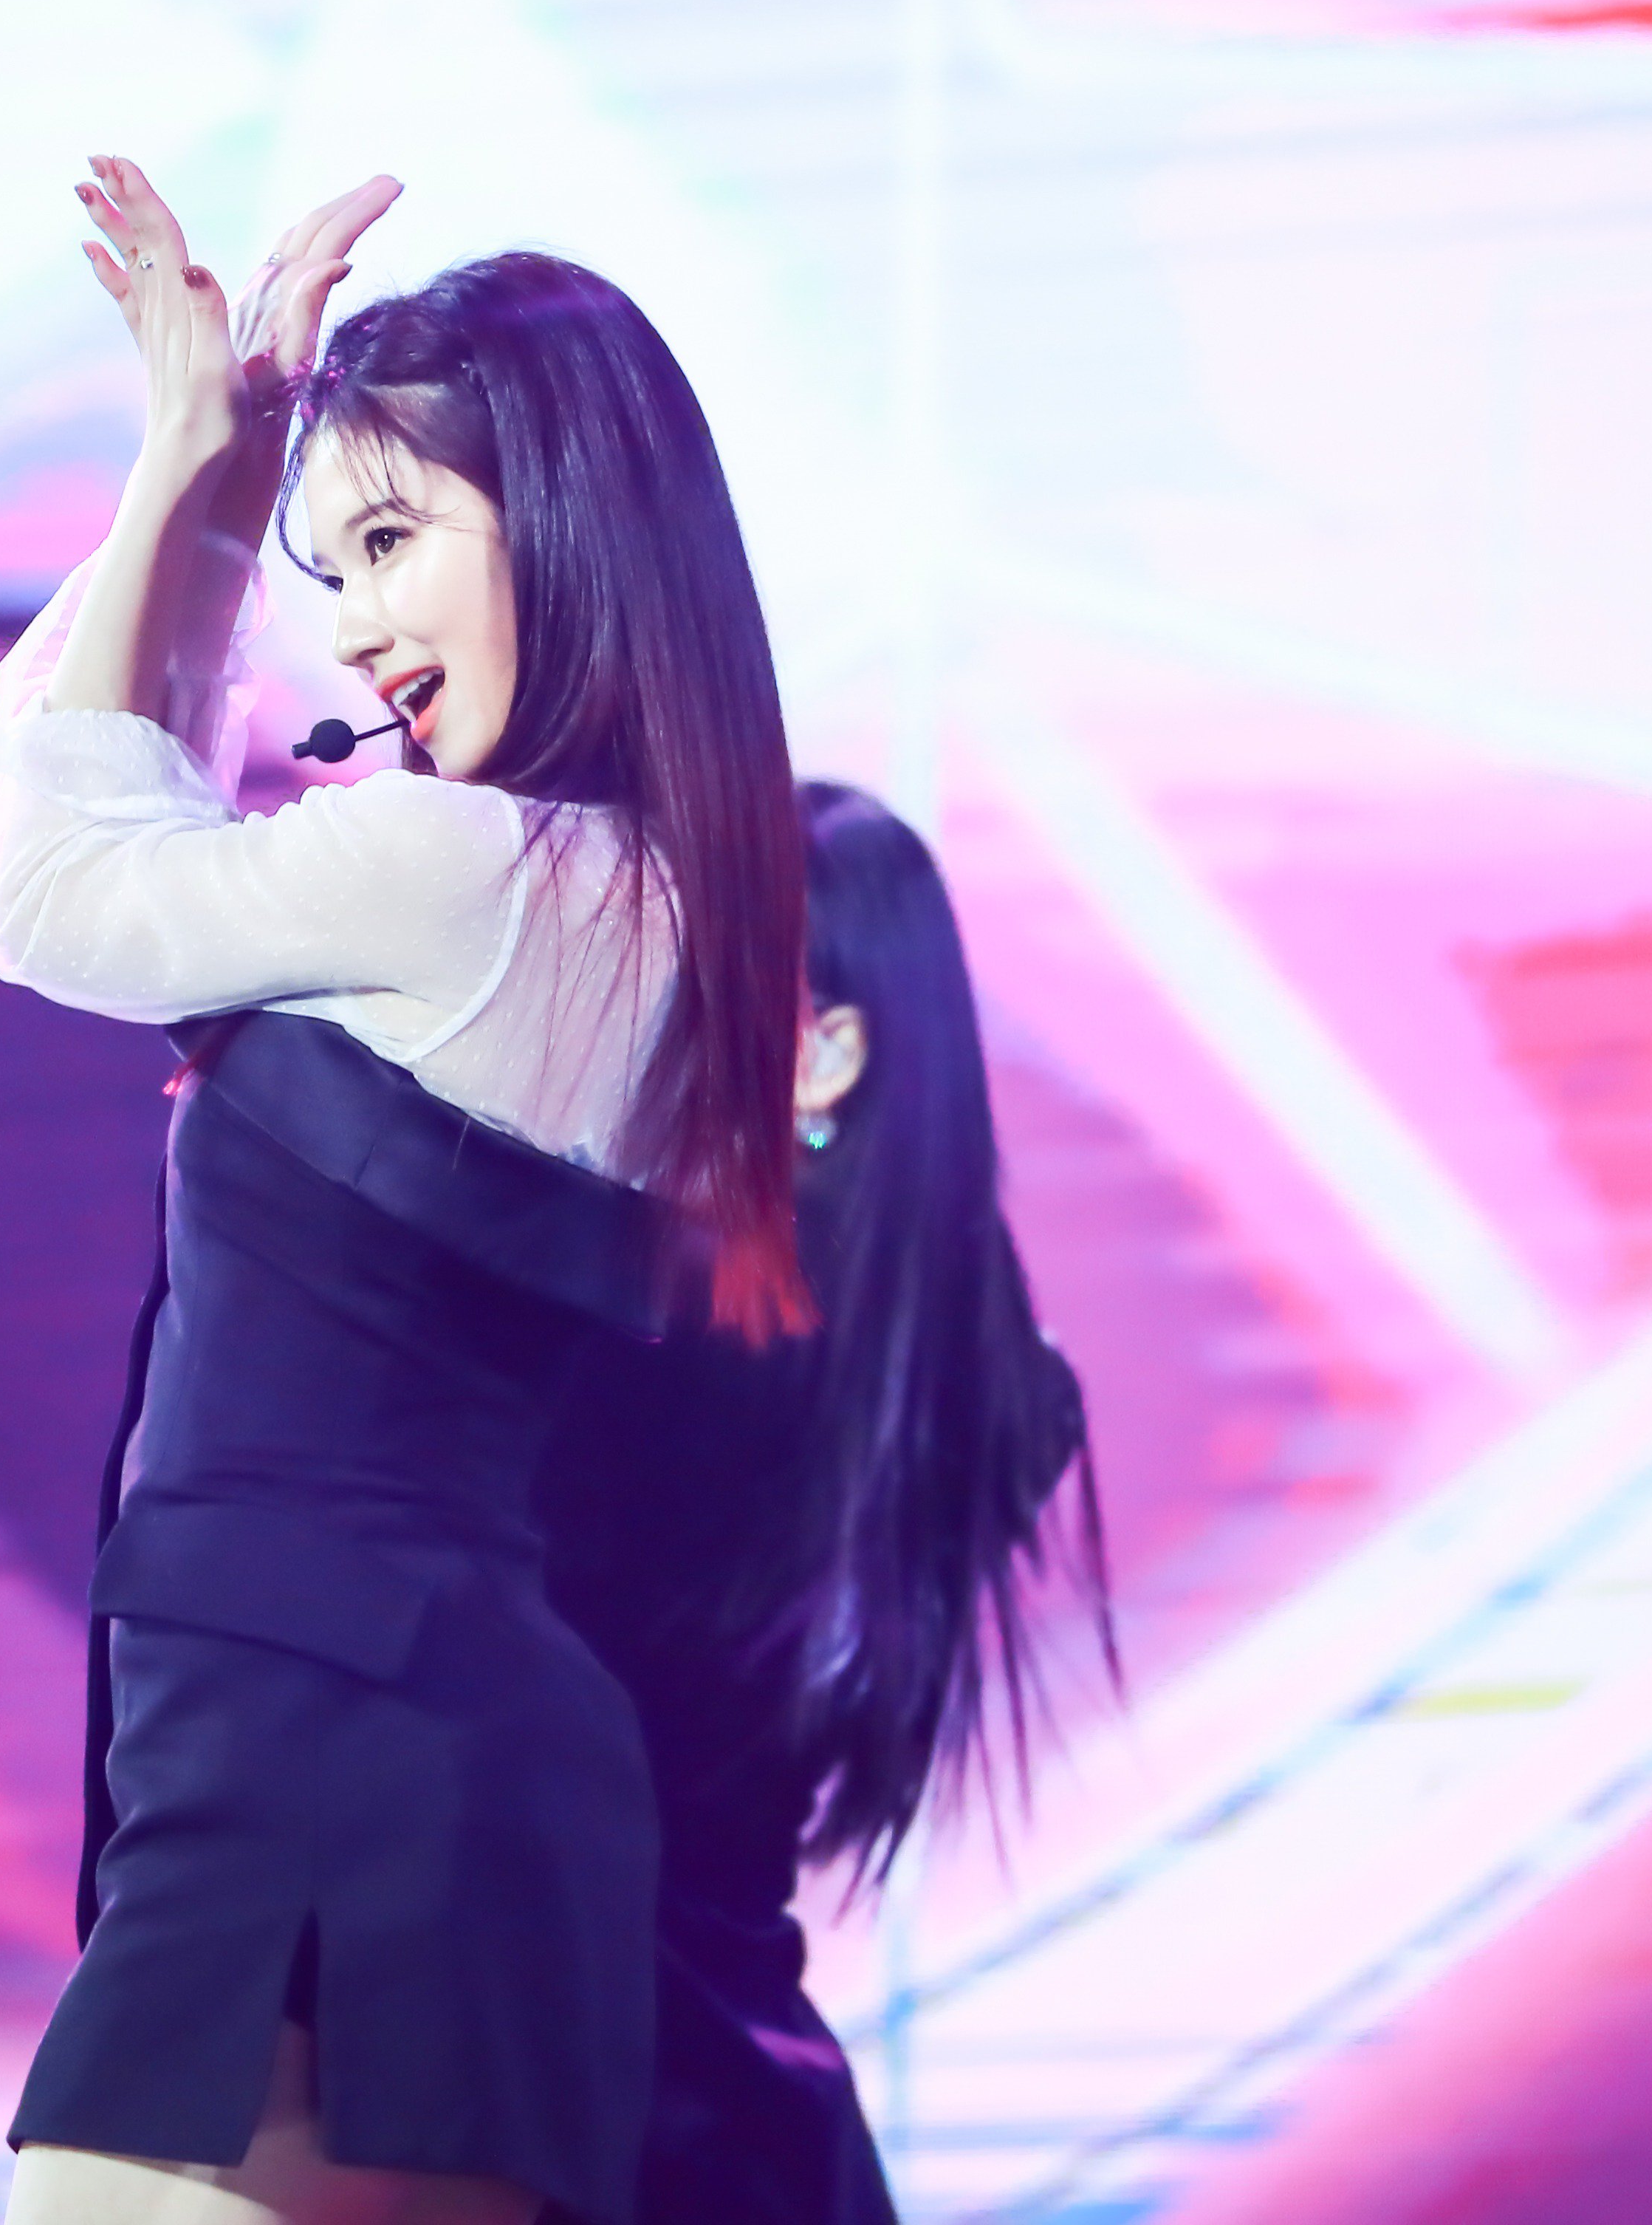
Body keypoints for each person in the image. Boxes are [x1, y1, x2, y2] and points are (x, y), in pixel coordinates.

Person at [0, 157, 811, 2225]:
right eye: (324, 561)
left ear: (569, 521)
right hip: (408, 1751)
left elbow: (56, 884)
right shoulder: (627, 895)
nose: (348, 623)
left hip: (319, 1759)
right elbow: (117, 822)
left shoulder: (458, 873)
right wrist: (219, 496)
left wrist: (194, 467)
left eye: (388, 541)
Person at [538, 779, 1111, 2224]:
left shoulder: (648, 1333)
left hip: (578, 2084)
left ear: (828, 1053)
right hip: (727, 2096)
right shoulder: (978, 1386)